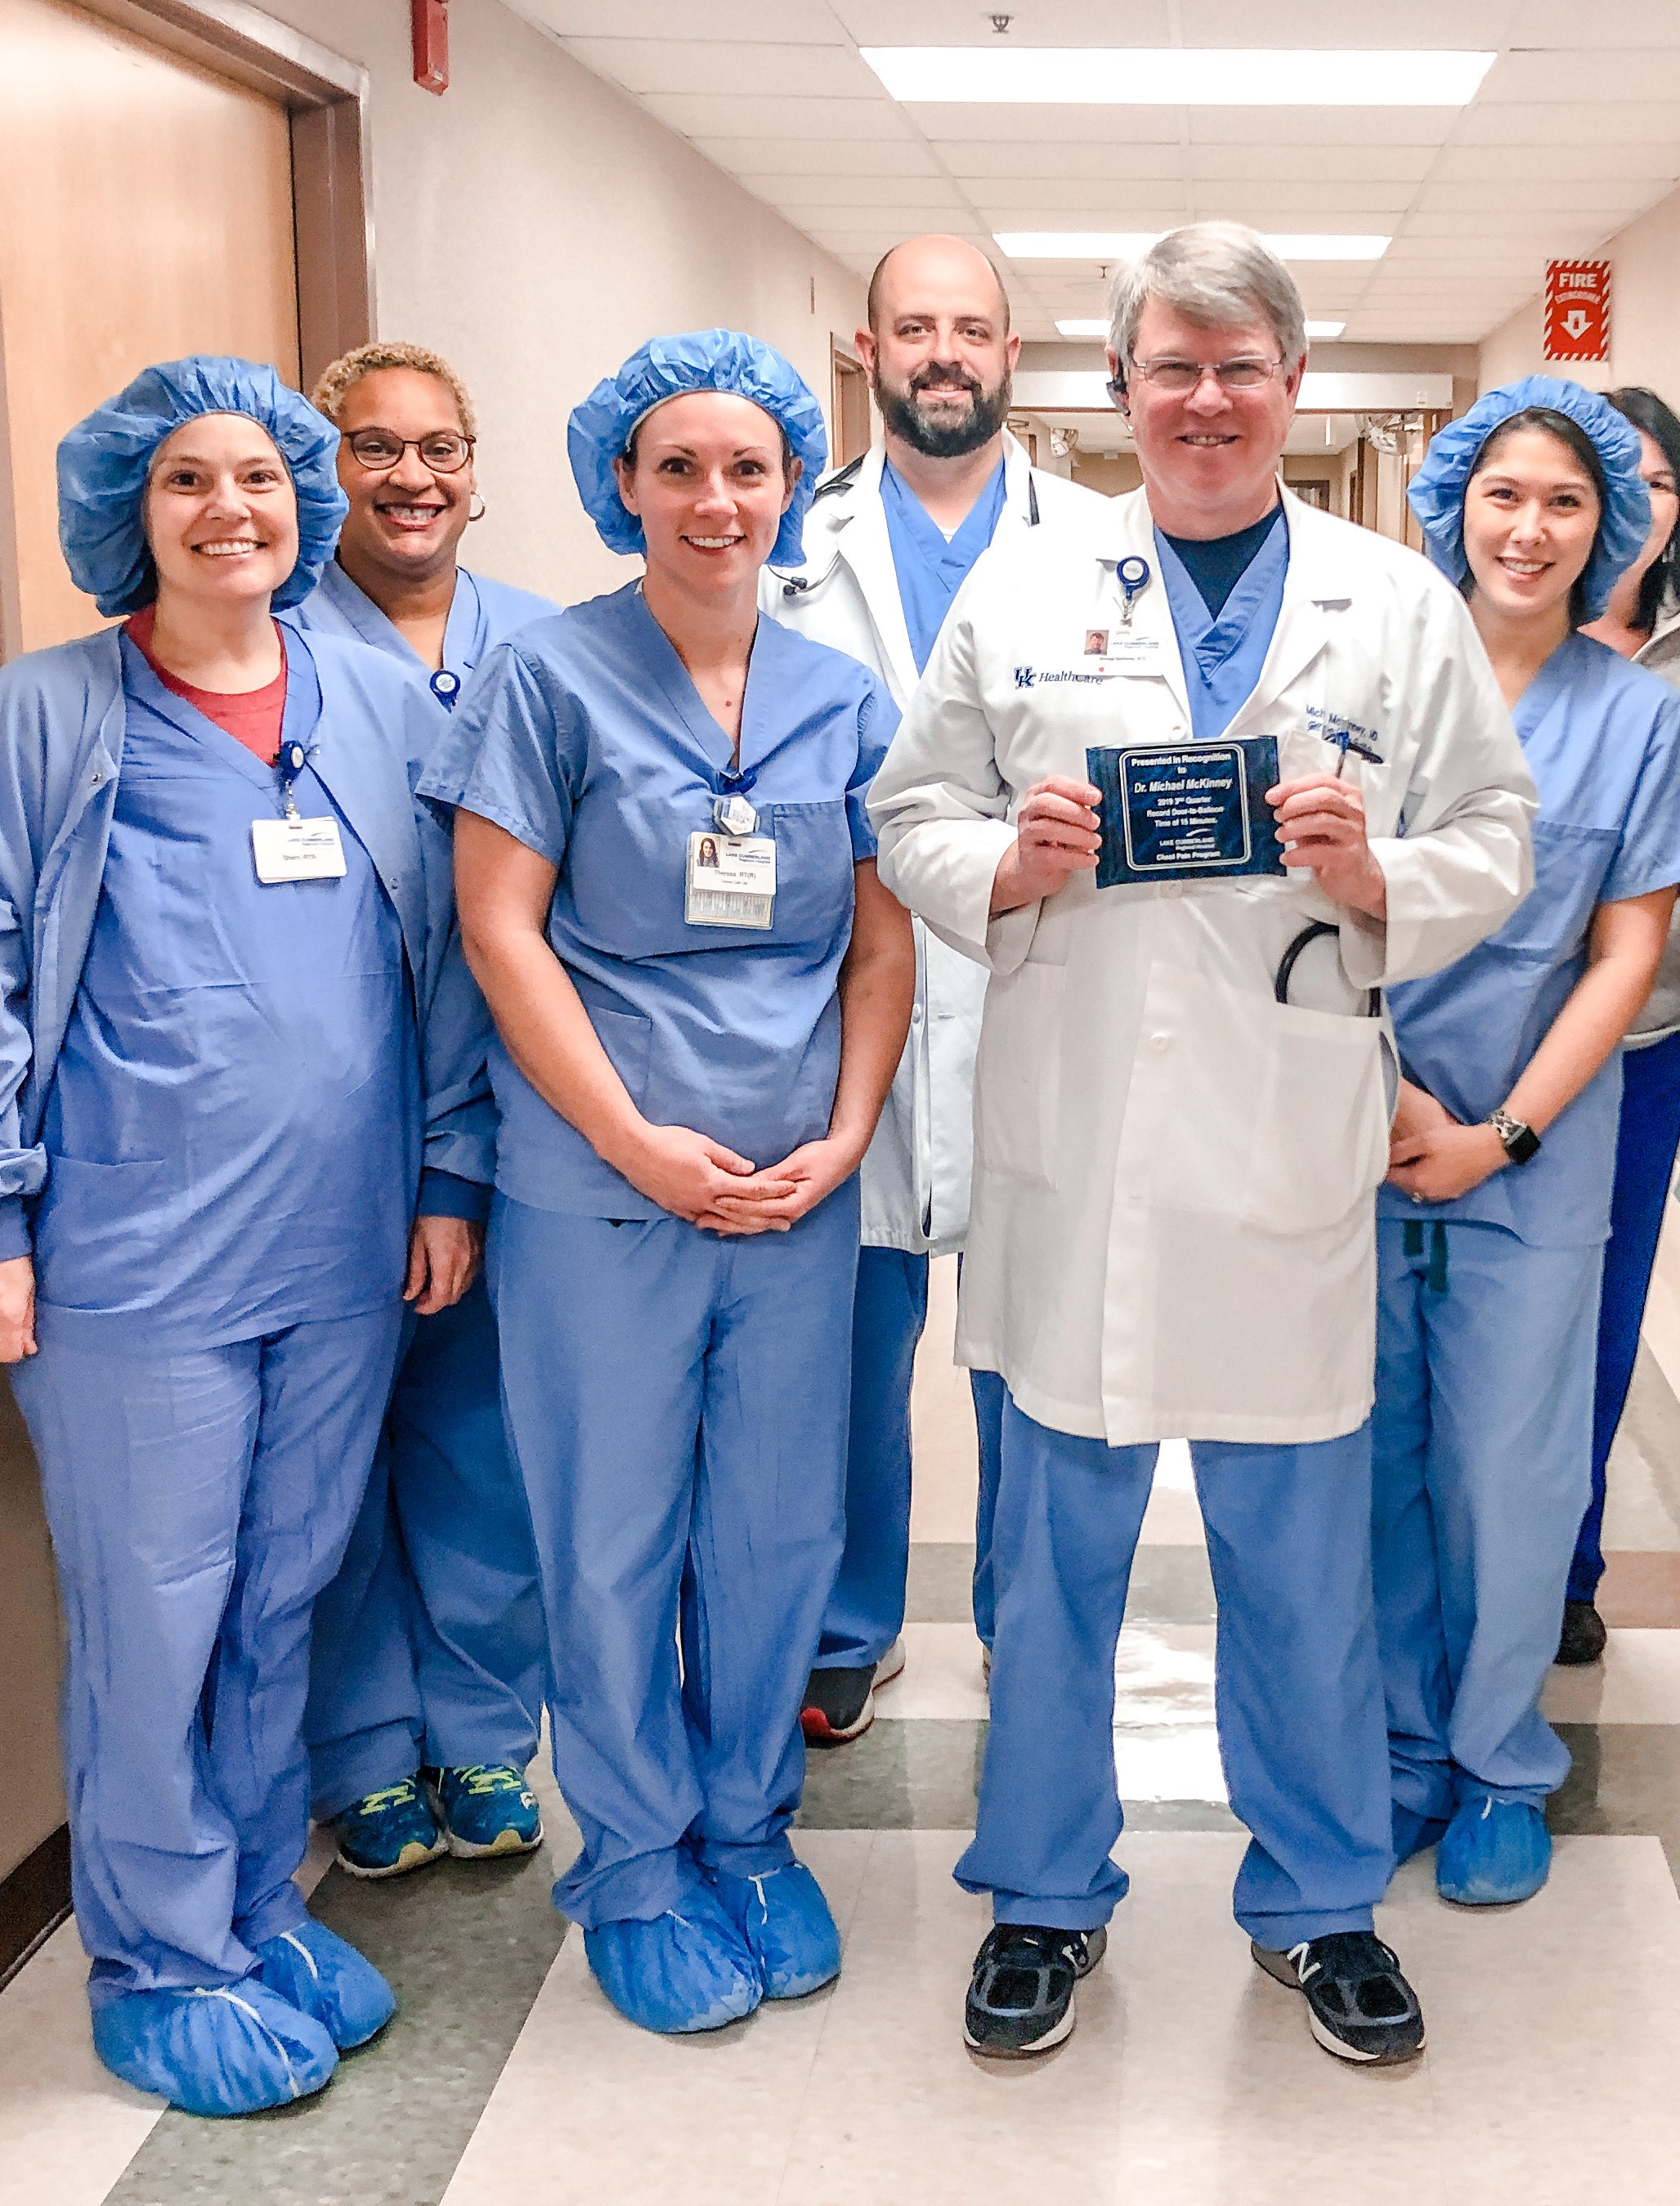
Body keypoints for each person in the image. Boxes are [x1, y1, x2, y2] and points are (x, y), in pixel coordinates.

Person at [870, 222, 1534, 2065]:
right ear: (1122, 391)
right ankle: (1043, 1896)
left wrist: (1375, 869)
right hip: (1075, 1137)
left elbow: (1497, 831)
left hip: (1281, 1141)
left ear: (1293, 387)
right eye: (1173, 366)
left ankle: (1320, 1903)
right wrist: (1003, 864)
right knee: (1049, 1562)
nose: (1207, 401)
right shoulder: (1023, 586)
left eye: (1241, 367)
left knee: (1301, 1564)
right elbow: (910, 800)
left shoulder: (1393, 602)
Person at [0, 357, 494, 2119]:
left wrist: (446, 1180)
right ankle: (155, 1953)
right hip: (125, 1259)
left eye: (262, 478)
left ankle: (243, 1901)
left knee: (285, 1589)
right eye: (188, 483)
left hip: (342, 1248)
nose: (234, 509)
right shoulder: (45, 716)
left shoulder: (366, 700)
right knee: (156, 1608)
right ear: (128, 520)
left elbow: (446, 963)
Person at [428, 330, 916, 2036]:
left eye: (750, 469)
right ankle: (633, 1860)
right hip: (602, 1188)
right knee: (614, 1528)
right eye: (679, 469)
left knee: (779, 1524)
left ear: (794, 487)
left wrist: (849, 1136)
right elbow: (500, 929)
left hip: (797, 1184)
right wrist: (633, 1139)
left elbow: (877, 946)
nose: (718, 500)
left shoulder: (842, 695)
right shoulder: (549, 680)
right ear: (619, 489)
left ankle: (747, 1830)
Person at [1373, 381, 1680, 1904]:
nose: (1531, 529)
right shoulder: (1373, 692)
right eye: (1506, 496)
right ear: (1453, 504)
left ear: (1615, 531)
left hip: (1537, 1150)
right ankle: (1396, 1748)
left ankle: (1493, 1764)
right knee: (1369, 1456)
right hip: (1360, 1127)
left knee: (1514, 1471)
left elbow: (1625, 957)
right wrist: (1387, 1100)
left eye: (1569, 503)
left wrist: (1503, 1132)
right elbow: (1308, 911)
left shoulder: (1646, 720)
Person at [761, 235, 1111, 1742]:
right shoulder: (786, 545)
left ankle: (1024, 1621)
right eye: (916, 328)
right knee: (851, 1324)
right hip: (852, 988)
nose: (944, 353)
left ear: (1011, 351)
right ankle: (848, 1621)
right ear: (868, 351)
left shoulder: (1108, 541)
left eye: (971, 328)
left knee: (1033, 1331)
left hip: (1047, 976)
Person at [298, 340, 560, 1881]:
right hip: (327, 1134)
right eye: (372, 447)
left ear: (479, 465)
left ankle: (481, 1736)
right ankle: (365, 1749)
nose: (411, 478)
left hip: (508, 1119)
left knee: (483, 1446)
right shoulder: (269, 652)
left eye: (441, 447)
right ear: (322, 466)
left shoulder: (548, 646)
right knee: (333, 1461)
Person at [1557, 384, 1680, 1667]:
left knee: (1603, 1314)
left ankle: (1566, 1562)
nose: (1634, 499)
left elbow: (1642, 876)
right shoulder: (1466, 644)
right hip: (1478, 1035)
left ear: (1677, 511)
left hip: (1638, 1040)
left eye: (1658, 479)